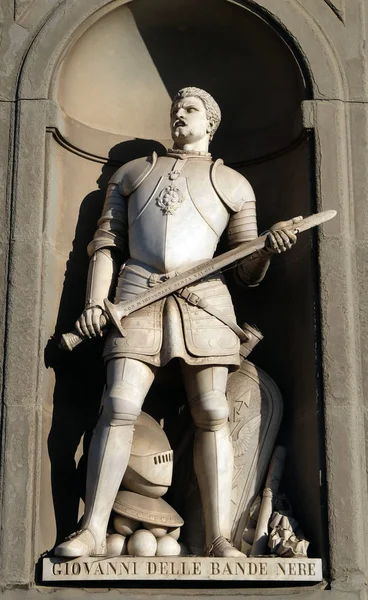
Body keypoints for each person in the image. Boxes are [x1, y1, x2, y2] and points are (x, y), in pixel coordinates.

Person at [55, 87, 297, 558]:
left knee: (213, 413)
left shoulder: (234, 183)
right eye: (175, 109)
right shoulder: (132, 173)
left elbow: (244, 270)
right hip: (136, 291)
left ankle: (218, 537)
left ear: (211, 122)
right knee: (119, 404)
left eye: (190, 109)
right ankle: (91, 527)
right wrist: (93, 302)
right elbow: (106, 245)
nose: (178, 115)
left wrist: (268, 248)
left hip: (204, 299)